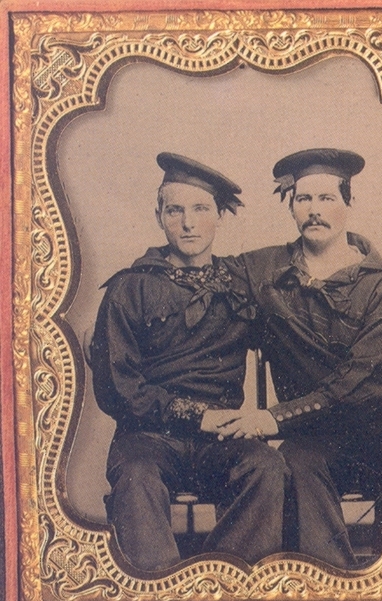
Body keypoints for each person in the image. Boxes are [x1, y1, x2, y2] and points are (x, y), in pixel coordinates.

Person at [208, 148, 382, 569]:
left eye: (327, 198)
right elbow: (199, 275)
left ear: (349, 203)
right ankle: (331, 583)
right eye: (304, 199)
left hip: (380, 427)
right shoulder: (263, 271)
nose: (314, 210)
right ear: (291, 206)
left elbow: (365, 381)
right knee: (296, 468)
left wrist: (274, 417)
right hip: (310, 437)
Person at [90, 153, 289, 572]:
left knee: (266, 467)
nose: (188, 223)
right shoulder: (130, 287)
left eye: (200, 209)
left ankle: (221, 582)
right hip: (148, 436)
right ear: (159, 216)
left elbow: (299, 279)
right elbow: (116, 388)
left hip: (221, 439)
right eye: (175, 210)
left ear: (219, 216)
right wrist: (198, 416)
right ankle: (160, 594)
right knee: (137, 477)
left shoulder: (242, 283)